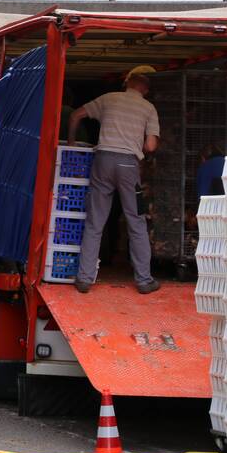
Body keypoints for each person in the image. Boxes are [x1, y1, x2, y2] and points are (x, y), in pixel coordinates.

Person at [67, 65, 160, 294]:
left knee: (95, 221)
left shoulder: (109, 98)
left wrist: (70, 142)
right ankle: (144, 280)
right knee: (136, 221)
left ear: (128, 82)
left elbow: (76, 114)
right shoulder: (148, 108)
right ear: (145, 89)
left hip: (102, 160)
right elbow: (150, 145)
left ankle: (85, 279)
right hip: (128, 164)